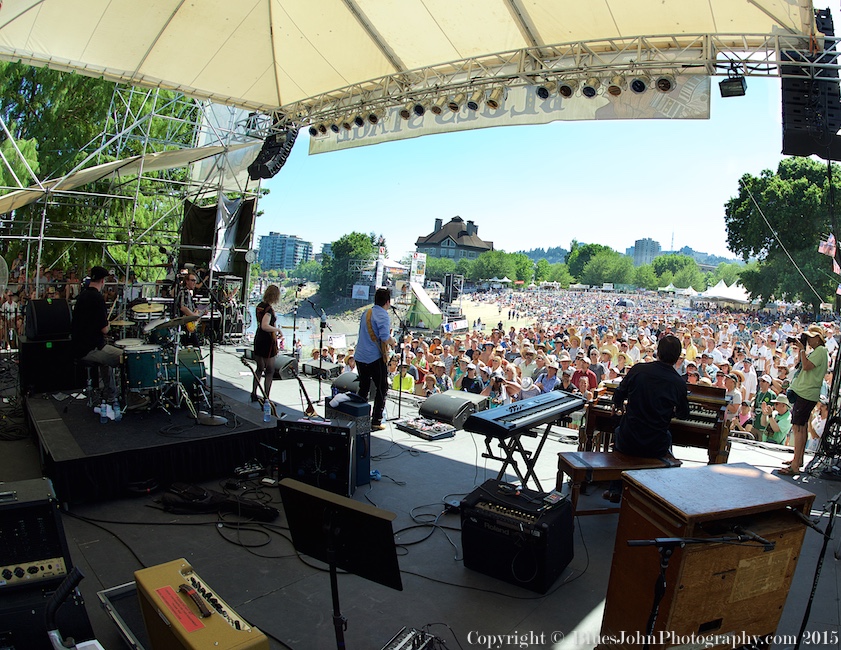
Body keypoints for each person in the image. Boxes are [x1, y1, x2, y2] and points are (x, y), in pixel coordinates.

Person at [607, 335, 689, 502]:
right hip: (655, 444)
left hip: (629, 439)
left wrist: (620, 407)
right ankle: (658, 492)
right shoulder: (678, 382)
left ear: (657, 352)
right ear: (677, 357)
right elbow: (683, 414)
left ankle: (615, 488)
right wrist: (668, 412)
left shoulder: (638, 370)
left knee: (618, 430)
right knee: (668, 436)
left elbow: (619, 394)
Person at [71, 266, 124, 414]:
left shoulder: (83, 296)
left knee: (106, 360)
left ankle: (110, 393)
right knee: (125, 357)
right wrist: (108, 325)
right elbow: (104, 329)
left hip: (79, 345)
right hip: (90, 349)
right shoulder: (97, 298)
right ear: (103, 280)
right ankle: (130, 397)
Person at [779, 325, 829, 474]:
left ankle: (795, 466)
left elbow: (806, 366)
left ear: (818, 338)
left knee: (799, 428)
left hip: (807, 393)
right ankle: (797, 459)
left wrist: (802, 350)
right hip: (805, 392)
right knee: (800, 427)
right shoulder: (818, 351)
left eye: (810, 337)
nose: (808, 339)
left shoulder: (821, 351)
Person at [355, 288, 396, 431]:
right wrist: (393, 341)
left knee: (364, 387)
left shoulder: (366, 312)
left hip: (360, 356)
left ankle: (359, 417)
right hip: (374, 357)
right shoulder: (383, 315)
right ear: (387, 302)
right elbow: (385, 337)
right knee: (381, 388)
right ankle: (376, 420)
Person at [251, 284, 281, 403]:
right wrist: (277, 330)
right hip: (267, 341)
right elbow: (265, 325)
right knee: (269, 370)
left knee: (259, 368)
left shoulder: (259, 306)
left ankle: (254, 393)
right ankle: (266, 397)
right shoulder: (268, 310)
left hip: (258, 338)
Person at [174, 272, 202, 347]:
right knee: (195, 348)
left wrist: (198, 313)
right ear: (187, 281)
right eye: (192, 280)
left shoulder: (189, 293)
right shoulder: (184, 292)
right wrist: (194, 316)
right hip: (184, 324)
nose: (194, 283)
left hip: (188, 324)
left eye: (195, 281)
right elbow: (183, 308)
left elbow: (192, 309)